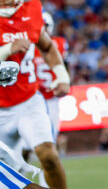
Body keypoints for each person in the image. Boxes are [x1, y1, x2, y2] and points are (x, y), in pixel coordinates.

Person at [0, 0, 70, 189]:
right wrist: (6, 50)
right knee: (2, 176)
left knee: (48, 156)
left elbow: (48, 47)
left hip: (30, 102)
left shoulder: (29, 15)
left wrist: (61, 76)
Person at [35, 12, 69, 151]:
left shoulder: (58, 43)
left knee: (52, 132)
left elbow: (64, 63)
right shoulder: (29, 43)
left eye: (45, 26)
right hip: (34, 95)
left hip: (52, 94)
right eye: (40, 26)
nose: (42, 29)